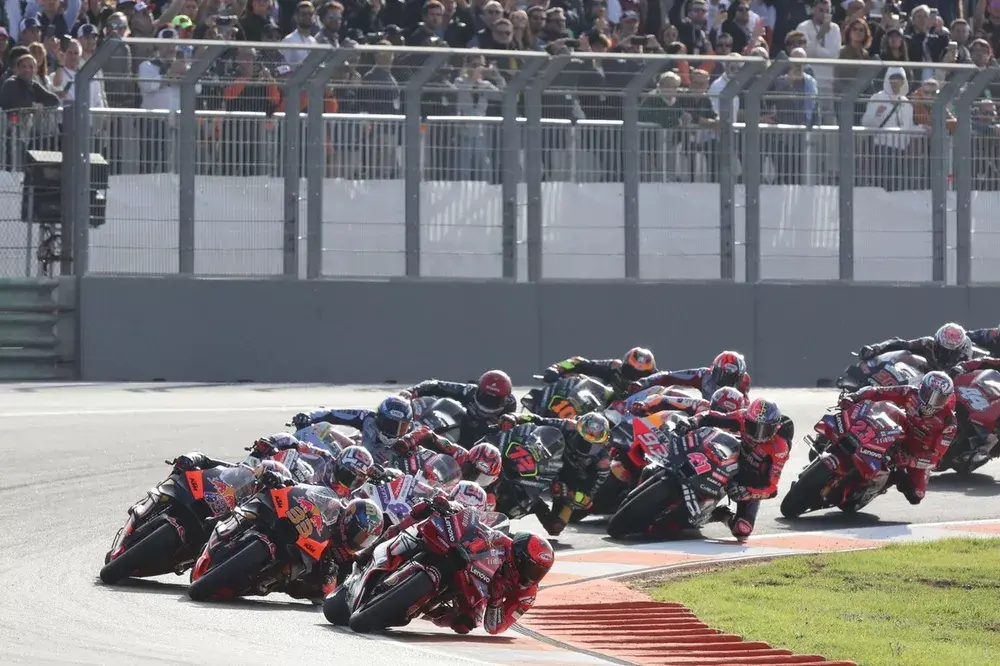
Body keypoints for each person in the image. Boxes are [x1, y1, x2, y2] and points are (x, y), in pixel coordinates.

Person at [359, 493, 553, 635]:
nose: (532, 576)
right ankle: (372, 551)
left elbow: (495, 627)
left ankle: (427, 610)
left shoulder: (527, 594)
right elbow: (483, 528)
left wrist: (495, 601)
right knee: (424, 514)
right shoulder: (505, 543)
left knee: (465, 624)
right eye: (531, 568)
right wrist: (451, 507)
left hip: (476, 595)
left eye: (539, 573)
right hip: (466, 562)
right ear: (517, 555)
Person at [676, 398, 791, 540]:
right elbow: (712, 416)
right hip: (728, 457)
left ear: (776, 427)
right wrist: (692, 421)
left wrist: (747, 491)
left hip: (747, 481)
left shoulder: (779, 449)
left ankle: (720, 515)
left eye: (764, 430)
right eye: (753, 427)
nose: (758, 435)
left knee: (742, 529)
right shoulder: (742, 416)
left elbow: (771, 488)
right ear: (747, 419)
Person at [838, 371, 957, 504]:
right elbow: (878, 391)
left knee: (916, 495)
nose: (930, 402)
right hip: (901, 428)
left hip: (916, 452)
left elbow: (936, 458)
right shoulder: (910, 392)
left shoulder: (949, 422)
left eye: (938, 398)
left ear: (947, 399)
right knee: (886, 407)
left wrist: (911, 460)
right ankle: (848, 434)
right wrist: (854, 397)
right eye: (928, 394)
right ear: (921, 387)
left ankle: (887, 479)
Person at [499, 411, 612, 535]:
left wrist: (569, 493)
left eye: (594, 441)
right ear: (578, 429)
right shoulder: (569, 425)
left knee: (555, 527)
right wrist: (515, 417)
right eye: (583, 438)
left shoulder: (602, 462)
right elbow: (538, 419)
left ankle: (537, 505)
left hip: (565, 484)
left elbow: (588, 498)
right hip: (545, 462)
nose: (587, 444)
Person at [284, 496, 386, 602]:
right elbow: (311, 496)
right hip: (300, 537)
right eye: (361, 536)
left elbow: (339, 587)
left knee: (324, 589)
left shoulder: (350, 558)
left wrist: (331, 574)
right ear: (350, 522)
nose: (361, 542)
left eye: (368, 540)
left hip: (306, 572)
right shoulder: (333, 510)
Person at [399, 370, 517, 446]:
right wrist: (411, 391)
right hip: (458, 428)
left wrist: (512, 418)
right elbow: (435, 385)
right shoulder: (468, 391)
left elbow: (512, 427)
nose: (487, 403)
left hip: (484, 438)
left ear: (506, 398)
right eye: (485, 397)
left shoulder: (510, 405)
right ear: (478, 389)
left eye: (494, 400)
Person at [291, 396, 414, 464]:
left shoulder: (411, 439)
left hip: (377, 482)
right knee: (321, 428)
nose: (394, 432)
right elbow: (332, 413)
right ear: (379, 418)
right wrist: (308, 416)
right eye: (390, 425)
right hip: (352, 462)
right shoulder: (366, 417)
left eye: (402, 427)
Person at [626, 351, 751, 400]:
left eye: (731, 377)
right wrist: (644, 382)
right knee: (670, 392)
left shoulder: (743, 384)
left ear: (739, 378)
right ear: (713, 370)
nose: (725, 381)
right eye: (721, 374)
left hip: (728, 422)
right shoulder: (704, 375)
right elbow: (669, 376)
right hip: (703, 415)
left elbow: (745, 411)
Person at [541, 347, 657, 397]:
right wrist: (557, 368)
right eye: (630, 371)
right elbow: (578, 362)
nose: (634, 377)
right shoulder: (614, 366)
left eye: (641, 374)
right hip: (603, 415)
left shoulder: (658, 380)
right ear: (624, 364)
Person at [857, 322, 974, 371]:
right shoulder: (928, 343)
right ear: (936, 341)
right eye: (941, 348)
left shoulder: (964, 359)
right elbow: (899, 344)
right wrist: (875, 349)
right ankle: (872, 370)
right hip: (917, 382)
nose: (944, 353)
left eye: (949, 351)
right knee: (906, 356)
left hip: (939, 394)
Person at [629, 386, 748, 418]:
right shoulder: (700, 405)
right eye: (720, 410)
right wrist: (645, 404)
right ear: (712, 404)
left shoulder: (740, 431)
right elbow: (662, 398)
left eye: (728, 414)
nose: (721, 416)